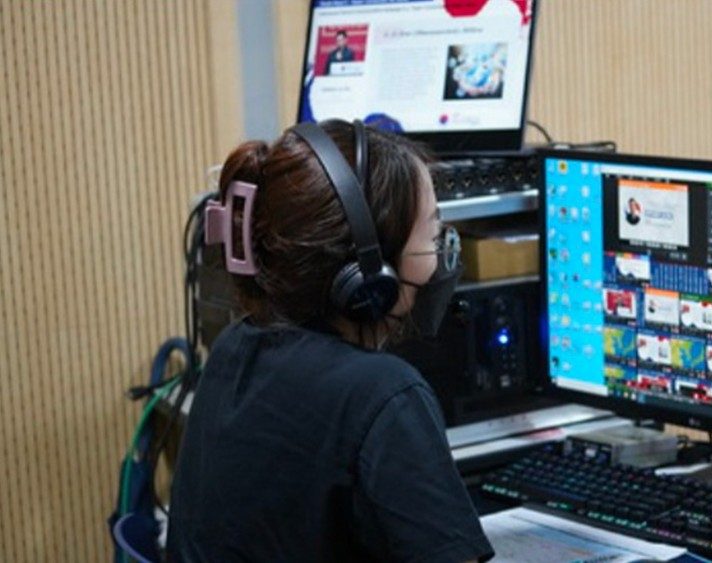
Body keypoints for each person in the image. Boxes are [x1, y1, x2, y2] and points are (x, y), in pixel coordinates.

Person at [167, 119, 494, 562]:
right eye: (434, 234)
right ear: (370, 271)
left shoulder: (234, 346)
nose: (443, 256)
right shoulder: (382, 394)